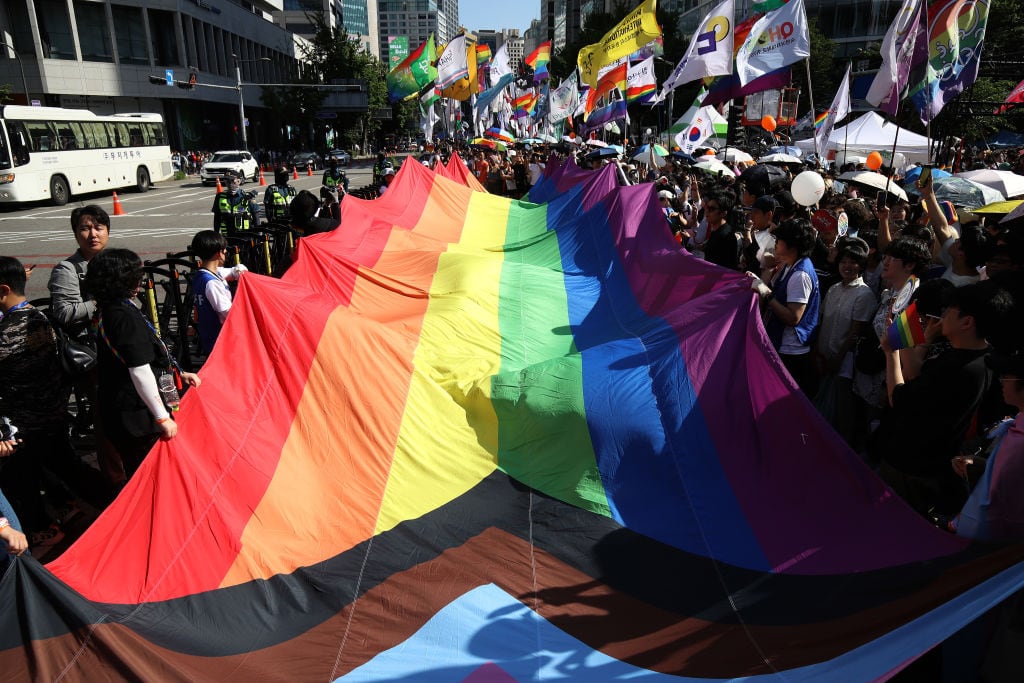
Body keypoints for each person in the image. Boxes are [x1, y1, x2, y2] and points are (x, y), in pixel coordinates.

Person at [872, 281, 1014, 517]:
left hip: (913, 467)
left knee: (895, 523)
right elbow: (915, 374)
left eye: (949, 311)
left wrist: (891, 353)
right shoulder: (978, 357)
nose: (942, 315)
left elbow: (898, 397)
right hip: (931, 463)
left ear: (967, 322)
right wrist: (910, 339)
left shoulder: (960, 369)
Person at [0, 256, 112, 547]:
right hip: (54, 411)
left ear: (3, 291)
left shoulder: (7, 333)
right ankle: (111, 501)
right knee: (66, 466)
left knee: (22, 479)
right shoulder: (40, 319)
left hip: (25, 423)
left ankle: (42, 531)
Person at [86, 249, 201, 478]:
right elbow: (139, 370)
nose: (139, 279)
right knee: (150, 474)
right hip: (137, 417)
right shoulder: (122, 315)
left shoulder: (113, 308)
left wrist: (179, 371)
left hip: (128, 409)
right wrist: (162, 417)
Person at [948, 350, 1024, 541]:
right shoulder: (1018, 424)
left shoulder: (1020, 445)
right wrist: (984, 465)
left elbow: (1000, 508)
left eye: (1007, 376)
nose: (1002, 382)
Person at [749, 218, 822, 396]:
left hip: (790, 352)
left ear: (792, 245)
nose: (776, 243)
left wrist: (766, 293)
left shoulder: (800, 275)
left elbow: (793, 318)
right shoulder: (790, 266)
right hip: (780, 343)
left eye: (779, 240)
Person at [814, 240, 877, 444]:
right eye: (843, 262)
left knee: (844, 407)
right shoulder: (833, 289)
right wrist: (818, 352)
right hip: (823, 356)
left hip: (845, 361)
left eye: (853, 263)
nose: (847, 267)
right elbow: (823, 321)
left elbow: (854, 331)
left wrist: (837, 359)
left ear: (861, 266)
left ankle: (843, 446)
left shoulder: (864, 294)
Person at [190, 231, 248, 355]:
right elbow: (228, 314)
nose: (226, 252)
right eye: (224, 250)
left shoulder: (203, 275)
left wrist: (240, 271)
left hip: (210, 336)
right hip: (220, 340)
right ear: (218, 253)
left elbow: (235, 271)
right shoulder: (212, 283)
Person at [702, 191, 744, 271]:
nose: (707, 211)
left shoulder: (725, 236)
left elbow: (725, 268)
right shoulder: (717, 230)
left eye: (711, 209)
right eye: (706, 207)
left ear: (723, 213)